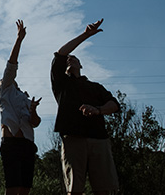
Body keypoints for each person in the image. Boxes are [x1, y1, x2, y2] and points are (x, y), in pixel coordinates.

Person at [51, 18, 120, 195]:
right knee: (74, 189)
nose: (70, 59)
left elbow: (114, 105)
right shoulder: (61, 84)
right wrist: (86, 35)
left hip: (99, 139)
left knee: (106, 188)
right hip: (73, 139)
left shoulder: (95, 87)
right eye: (68, 59)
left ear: (81, 65)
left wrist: (98, 110)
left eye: (74, 58)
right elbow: (60, 54)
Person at [0, 19, 42, 195]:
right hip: (12, 143)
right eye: (1, 81)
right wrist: (19, 39)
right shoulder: (6, 90)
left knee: (25, 189)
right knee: (13, 187)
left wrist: (33, 111)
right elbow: (11, 65)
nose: (2, 81)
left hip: (28, 143)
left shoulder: (23, 96)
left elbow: (35, 123)